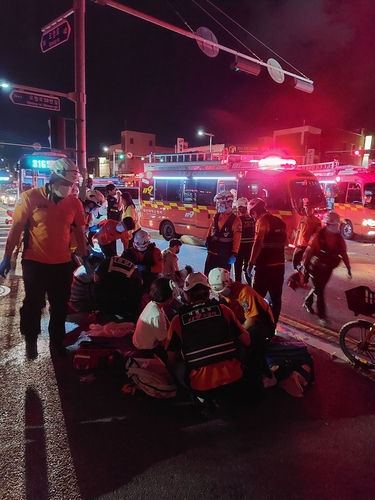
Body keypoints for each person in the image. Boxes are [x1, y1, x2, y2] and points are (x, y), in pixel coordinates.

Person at [0, 158, 88, 359]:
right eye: (66, 184)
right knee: (33, 304)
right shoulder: (30, 197)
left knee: (60, 306)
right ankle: (31, 340)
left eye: (72, 184)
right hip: (35, 262)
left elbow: (79, 230)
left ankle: (57, 343)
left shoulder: (74, 203)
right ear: (54, 178)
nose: (69, 188)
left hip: (62, 263)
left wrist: (84, 253)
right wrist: (7, 257)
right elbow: (16, 229)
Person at [165, 272, 251, 403]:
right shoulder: (223, 310)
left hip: (203, 389)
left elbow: (170, 358)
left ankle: (196, 398)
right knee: (237, 337)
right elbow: (247, 340)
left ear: (187, 296)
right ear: (208, 292)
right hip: (235, 380)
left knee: (176, 363)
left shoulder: (178, 320)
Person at [301, 211, 352, 326]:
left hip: (328, 268)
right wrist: (304, 268)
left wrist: (348, 267)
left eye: (336, 225)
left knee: (319, 288)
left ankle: (308, 302)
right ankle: (322, 316)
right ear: (327, 224)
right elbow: (308, 253)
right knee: (320, 290)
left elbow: (343, 253)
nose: (336, 227)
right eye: (333, 225)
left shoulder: (339, 238)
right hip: (315, 267)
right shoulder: (317, 237)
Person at [246, 198, 287, 326]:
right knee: (276, 297)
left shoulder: (261, 221)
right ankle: (273, 324)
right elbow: (286, 243)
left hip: (264, 267)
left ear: (254, 212)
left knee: (256, 297)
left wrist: (251, 263)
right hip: (279, 266)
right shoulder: (280, 222)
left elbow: (258, 243)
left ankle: (256, 324)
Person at [208, 268, 275, 343]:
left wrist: (237, 335)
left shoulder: (244, 292)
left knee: (249, 336)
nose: (220, 294)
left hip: (262, 323)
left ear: (228, 282)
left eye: (222, 291)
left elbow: (251, 320)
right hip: (243, 319)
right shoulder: (224, 295)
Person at [132, 277, 177, 363]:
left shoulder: (154, 304)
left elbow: (167, 321)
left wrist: (172, 329)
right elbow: (164, 342)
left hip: (142, 341)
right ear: (167, 297)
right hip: (146, 348)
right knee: (173, 353)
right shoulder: (156, 315)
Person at [94, 248, 143, 322]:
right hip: (122, 303)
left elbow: (95, 278)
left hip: (102, 298)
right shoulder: (134, 270)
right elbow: (138, 289)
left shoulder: (108, 260)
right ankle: (130, 314)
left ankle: (96, 309)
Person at [204, 191, 242, 276]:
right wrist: (207, 239)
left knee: (223, 279)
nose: (218, 206)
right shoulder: (216, 216)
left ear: (228, 204)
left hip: (224, 255)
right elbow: (211, 229)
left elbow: (237, 238)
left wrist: (234, 253)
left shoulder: (236, 221)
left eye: (220, 204)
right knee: (208, 276)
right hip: (212, 253)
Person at [292, 200, 321, 270]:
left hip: (309, 246)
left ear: (313, 209)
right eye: (306, 208)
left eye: (310, 208)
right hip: (300, 245)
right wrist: (295, 242)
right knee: (295, 260)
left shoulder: (317, 221)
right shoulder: (302, 219)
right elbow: (298, 231)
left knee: (306, 264)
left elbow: (317, 234)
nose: (308, 210)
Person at [234, 197, 255, 284]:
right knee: (247, 268)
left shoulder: (237, 220)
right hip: (250, 247)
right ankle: (249, 287)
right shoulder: (253, 219)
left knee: (237, 269)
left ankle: (238, 287)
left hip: (240, 247)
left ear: (239, 208)